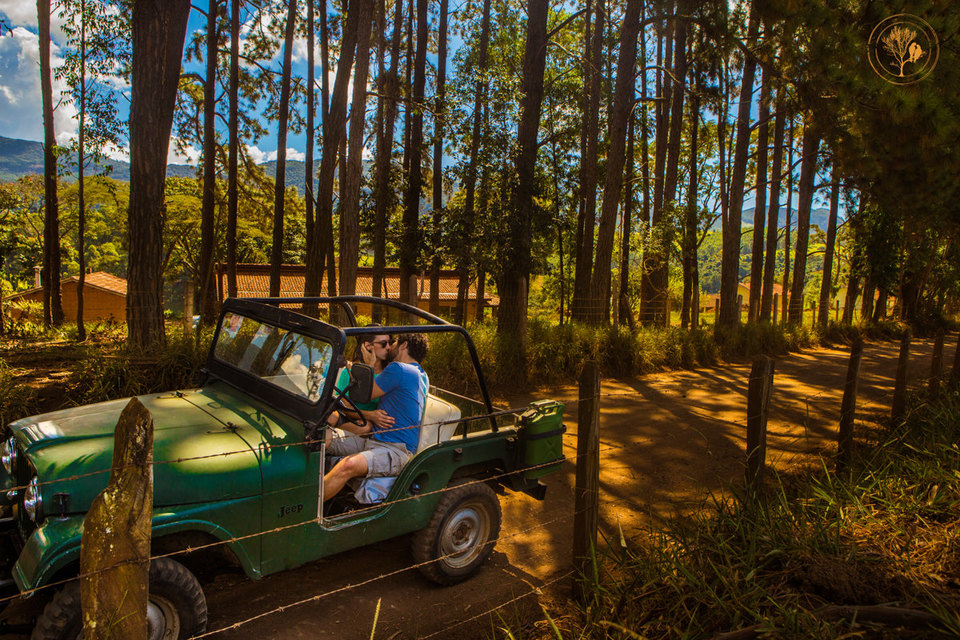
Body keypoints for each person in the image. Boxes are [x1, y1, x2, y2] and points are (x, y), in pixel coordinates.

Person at [323, 333, 429, 502]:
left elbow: (363, 395)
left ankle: (305, 514)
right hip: (375, 439)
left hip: (394, 449)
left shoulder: (399, 369)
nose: (389, 347)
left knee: (347, 465)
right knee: (321, 437)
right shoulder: (421, 374)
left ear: (403, 345)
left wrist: (369, 366)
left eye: (393, 343)